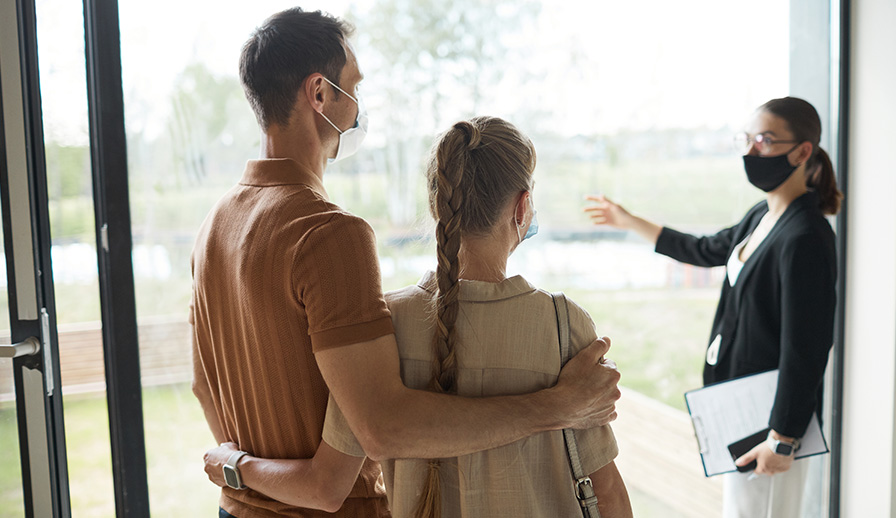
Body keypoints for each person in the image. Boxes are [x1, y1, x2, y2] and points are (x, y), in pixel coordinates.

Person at [191, 8, 622, 518]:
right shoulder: (330, 234)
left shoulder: (214, 224)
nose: (359, 106)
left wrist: (238, 469)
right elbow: (382, 431)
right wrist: (555, 408)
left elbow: (203, 384)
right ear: (320, 94)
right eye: (354, 87)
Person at [584, 96, 839, 517]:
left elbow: (806, 349)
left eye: (764, 140)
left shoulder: (806, 236)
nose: (750, 151)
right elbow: (702, 250)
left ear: (803, 151)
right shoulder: (762, 215)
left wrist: (784, 438)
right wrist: (627, 221)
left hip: (772, 426)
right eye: (747, 138)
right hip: (741, 411)